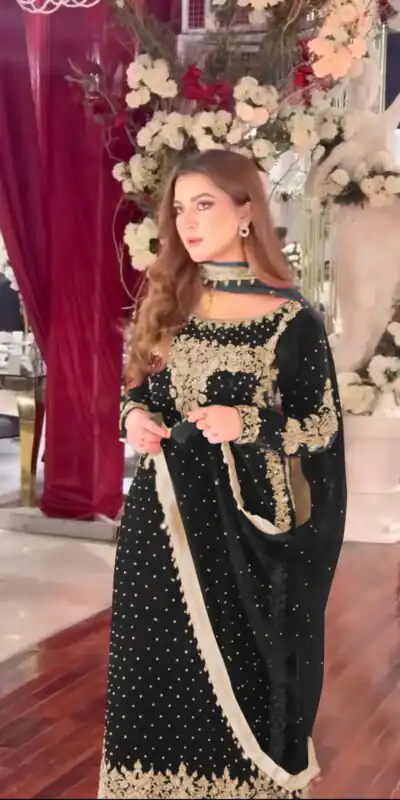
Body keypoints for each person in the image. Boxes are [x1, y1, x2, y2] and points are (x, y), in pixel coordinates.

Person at [99, 149, 347, 800]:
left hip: (247, 530)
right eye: (179, 208)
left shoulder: (290, 319)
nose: (187, 221)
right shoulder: (166, 303)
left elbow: (321, 428)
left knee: (247, 673)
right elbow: (136, 393)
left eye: (204, 204)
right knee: (158, 668)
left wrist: (250, 423)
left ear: (245, 212)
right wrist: (134, 419)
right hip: (161, 524)